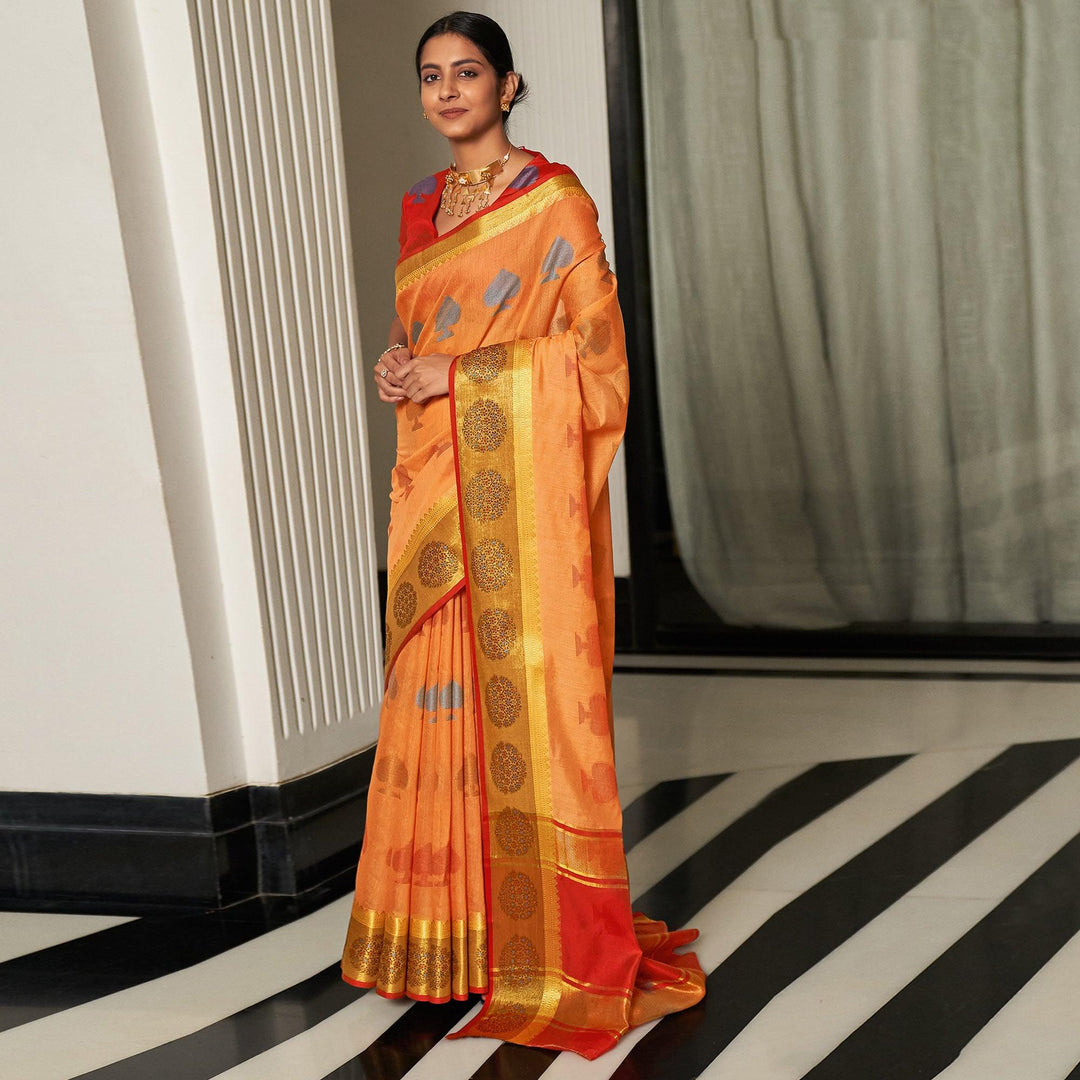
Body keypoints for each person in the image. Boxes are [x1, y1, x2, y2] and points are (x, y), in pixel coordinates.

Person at [339, 10, 706, 1059]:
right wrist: (402, 366)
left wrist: (457, 375)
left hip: (509, 498)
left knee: (519, 699)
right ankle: (442, 941)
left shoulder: (555, 202)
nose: (447, 90)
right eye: (431, 76)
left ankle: (531, 941)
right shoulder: (422, 206)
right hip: (435, 482)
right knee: (432, 694)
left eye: (468, 72)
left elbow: (597, 362)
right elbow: (423, 331)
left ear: (508, 87)